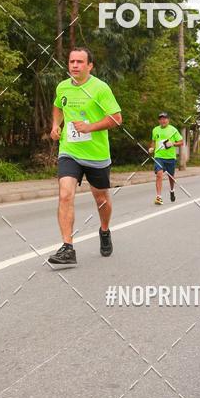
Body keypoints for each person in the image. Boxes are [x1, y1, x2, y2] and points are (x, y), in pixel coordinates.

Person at [48, 47, 122, 268]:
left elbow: (116, 118)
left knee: (101, 199)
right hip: (69, 151)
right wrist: (56, 125)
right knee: (65, 194)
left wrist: (90, 127)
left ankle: (105, 230)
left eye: (80, 62)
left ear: (90, 66)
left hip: (96, 155)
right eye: (72, 61)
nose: (75, 65)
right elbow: (58, 106)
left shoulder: (100, 88)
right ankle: (67, 248)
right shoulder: (62, 86)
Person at [149, 113, 183, 205]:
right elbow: (153, 141)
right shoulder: (155, 130)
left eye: (165, 119)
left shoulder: (173, 130)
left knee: (171, 177)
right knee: (159, 174)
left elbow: (181, 142)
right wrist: (152, 148)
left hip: (170, 157)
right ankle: (159, 197)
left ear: (168, 120)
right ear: (159, 121)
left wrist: (173, 144)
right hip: (159, 156)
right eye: (161, 119)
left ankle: (172, 190)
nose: (163, 121)